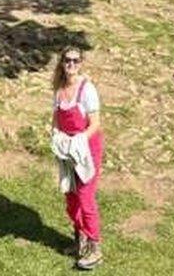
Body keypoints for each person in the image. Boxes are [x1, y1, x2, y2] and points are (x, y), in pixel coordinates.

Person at [50, 47, 104, 269]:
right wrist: (56, 136)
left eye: (75, 61)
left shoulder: (87, 89)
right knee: (71, 199)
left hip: (86, 150)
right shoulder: (59, 90)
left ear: (81, 63)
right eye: (67, 60)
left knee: (85, 198)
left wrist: (78, 142)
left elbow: (96, 124)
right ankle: (79, 238)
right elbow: (55, 119)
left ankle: (95, 247)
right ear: (62, 63)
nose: (71, 64)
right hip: (67, 152)